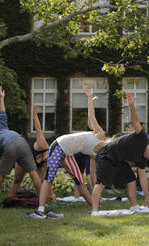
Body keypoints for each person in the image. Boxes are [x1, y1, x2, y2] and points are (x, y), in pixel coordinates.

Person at [28, 85, 107, 219]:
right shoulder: (100, 134)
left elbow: (93, 174)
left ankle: (94, 208)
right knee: (50, 177)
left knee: (79, 181)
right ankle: (40, 209)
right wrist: (89, 98)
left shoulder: (98, 154)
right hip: (59, 145)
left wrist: (96, 195)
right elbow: (91, 116)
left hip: (68, 153)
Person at [91, 92, 149, 214]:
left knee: (131, 179)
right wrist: (131, 105)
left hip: (119, 161)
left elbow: (142, 178)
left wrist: (147, 197)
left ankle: (134, 206)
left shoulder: (142, 159)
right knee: (101, 183)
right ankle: (94, 211)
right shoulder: (142, 138)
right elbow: (135, 122)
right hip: (106, 156)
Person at [0, 86, 42, 207]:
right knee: (33, 173)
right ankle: (42, 203)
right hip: (22, 141)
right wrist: (2, 98)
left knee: (0, 178)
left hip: (11, 147)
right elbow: (3, 114)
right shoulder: (2, 129)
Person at [10, 106, 52, 199]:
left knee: (40, 181)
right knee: (17, 180)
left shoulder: (45, 163)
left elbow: (46, 178)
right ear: (49, 151)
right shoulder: (43, 145)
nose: (48, 160)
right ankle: (10, 199)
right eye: (49, 157)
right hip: (23, 158)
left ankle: (41, 200)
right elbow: (38, 130)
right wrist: (35, 115)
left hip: (35, 165)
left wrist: (51, 193)